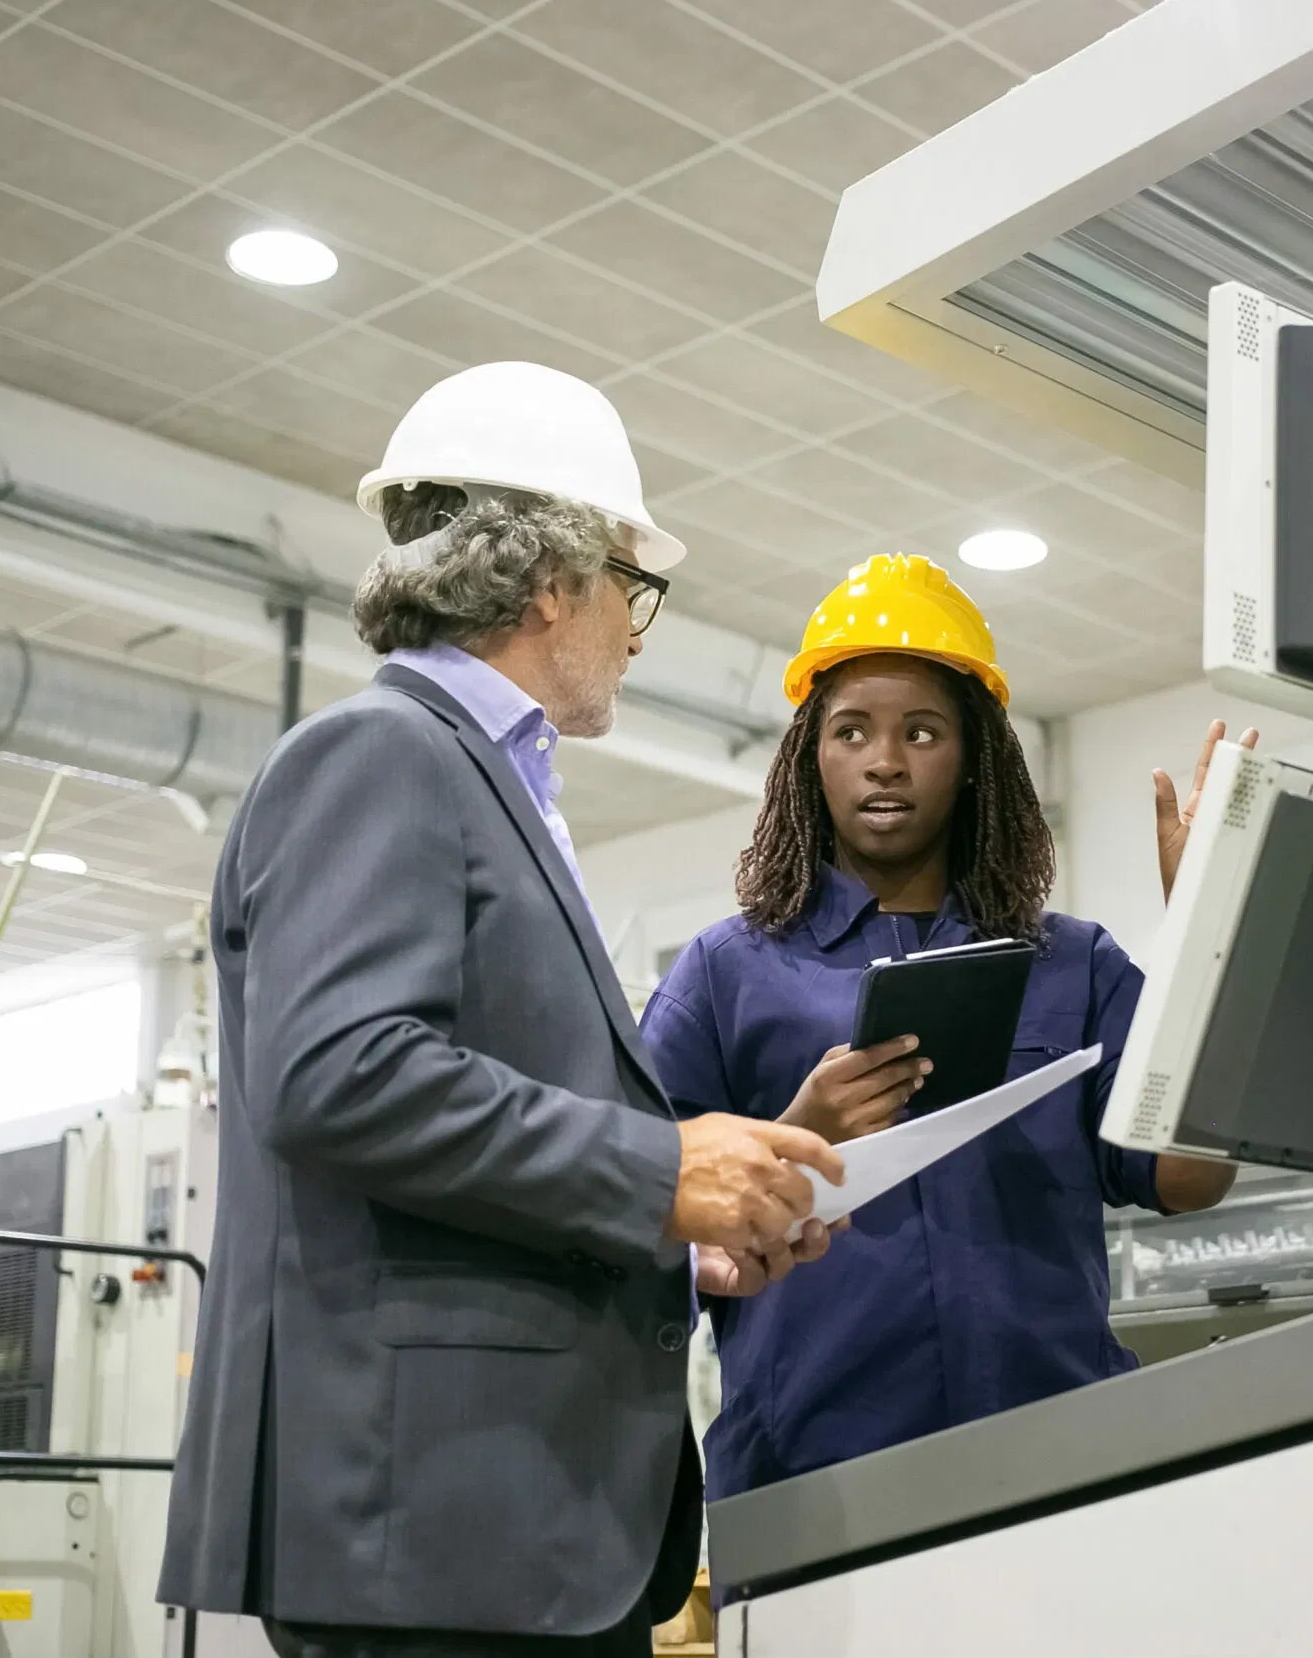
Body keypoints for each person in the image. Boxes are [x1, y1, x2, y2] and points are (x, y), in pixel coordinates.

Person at [160, 363, 845, 1658]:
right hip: (434, 1525)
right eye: (631, 591)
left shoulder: (488, 786)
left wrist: (683, 1234)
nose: (636, 633)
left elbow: (472, 1149)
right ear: (552, 581)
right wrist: (660, 1165)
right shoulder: (383, 753)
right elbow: (338, 1070)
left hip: (510, 1527)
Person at [638, 553, 1246, 1510]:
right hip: (816, 1486)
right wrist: (798, 1135)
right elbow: (636, 1207)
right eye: (851, 731)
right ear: (812, 759)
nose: (886, 758)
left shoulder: (1074, 964)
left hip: (1065, 1463)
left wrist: (1212, 928)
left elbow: (1191, 1176)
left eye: (922, 731)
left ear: (972, 763)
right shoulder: (723, 975)